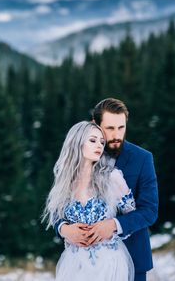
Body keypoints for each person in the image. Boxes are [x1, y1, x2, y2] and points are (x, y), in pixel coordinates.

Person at [56, 98, 159, 281]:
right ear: (95, 123)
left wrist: (113, 225)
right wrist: (64, 229)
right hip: (82, 265)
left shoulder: (142, 159)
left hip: (133, 258)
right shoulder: (79, 157)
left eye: (121, 127)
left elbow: (149, 211)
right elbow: (57, 207)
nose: (117, 135)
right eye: (110, 128)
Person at [43, 121, 137, 281]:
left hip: (108, 263)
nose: (99, 146)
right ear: (76, 142)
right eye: (92, 140)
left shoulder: (112, 177)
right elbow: (56, 216)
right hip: (74, 264)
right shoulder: (64, 181)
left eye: (102, 142)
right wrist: (65, 230)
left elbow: (135, 219)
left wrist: (112, 226)